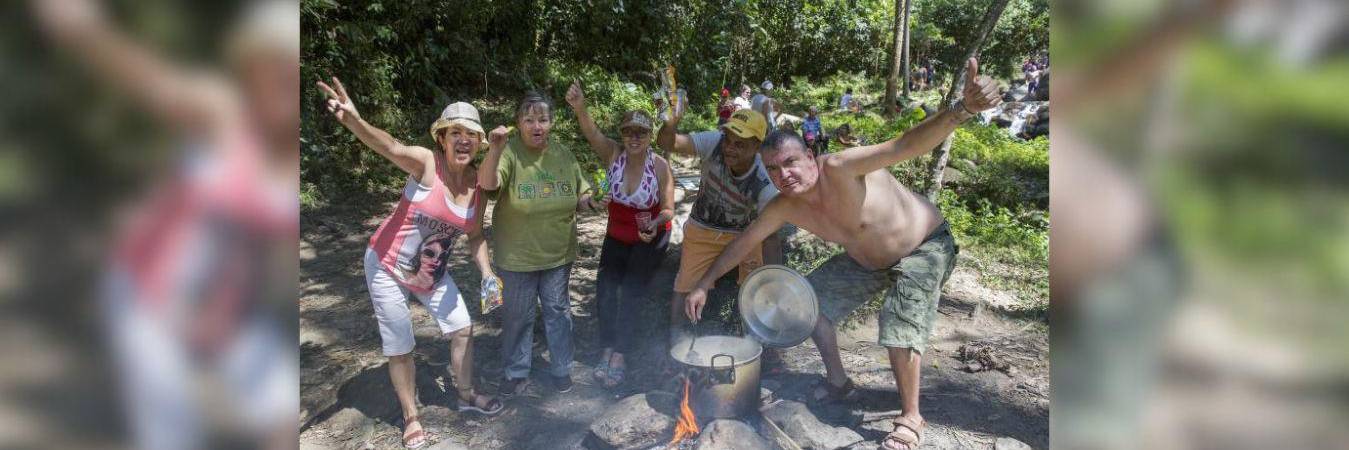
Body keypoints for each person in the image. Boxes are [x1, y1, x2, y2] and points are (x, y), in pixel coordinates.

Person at [682, 58, 1001, 450]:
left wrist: (962, 109)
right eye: (773, 169)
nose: (784, 175)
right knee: (810, 303)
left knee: (898, 322)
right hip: (868, 262)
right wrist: (704, 282)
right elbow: (744, 242)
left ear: (810, 156)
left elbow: (905, 144)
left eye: (790, 163)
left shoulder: (842, 167)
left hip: (924, 246)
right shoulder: (785, 205)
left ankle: (911, 418)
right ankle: (839, 383)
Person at [35, 1, 300, 449]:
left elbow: (270, 253)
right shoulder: (221, 112)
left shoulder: (294, 161)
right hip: (146, 297)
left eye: (291, 71)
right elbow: (148, 79)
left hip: (231, 302)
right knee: (173, 434)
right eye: (272, 67)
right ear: (251, 66)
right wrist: (82, 30)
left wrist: (222, 314)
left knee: (281, 413)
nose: (282, 82)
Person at [317, 86, 506, 446]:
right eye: (456, 133)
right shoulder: (426, 164)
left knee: (462, 327)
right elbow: (389, 146)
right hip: (386, 265)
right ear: (442, 137)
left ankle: (465, 394)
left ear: (480, 143)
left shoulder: (478, 186)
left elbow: (475, 235)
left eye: (471, 135)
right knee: (401, 341)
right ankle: (411, 416)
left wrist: (486, 273)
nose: (463, 141)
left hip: (431, 272)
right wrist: (356, 121)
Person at [479, 92, 597, 398]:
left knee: (558, 311)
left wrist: (591, 201)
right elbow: (489, 185)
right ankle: (516, 370)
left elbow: (580, 194)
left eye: (542, 119)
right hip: (517, 255)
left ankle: (561, 368)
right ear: (518, 123)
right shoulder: (509, 152)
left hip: (558, 253)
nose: (536, 126)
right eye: (529, 119)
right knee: (519, 315)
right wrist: (493, 149)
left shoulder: (563, 154)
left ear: (552, 123)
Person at [565, 81, 676, 389]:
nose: (634, 138)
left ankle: (621, 355)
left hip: (650, 234)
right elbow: (592, 133)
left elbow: (669, 209)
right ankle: (607, 347)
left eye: (641, 132)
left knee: (630, 291)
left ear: (650, 135)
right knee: (605, 288)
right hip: (617, 233)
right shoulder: (614, 154)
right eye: (629, 132)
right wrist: (580, 107)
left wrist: (654, 224)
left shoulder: (660, 166)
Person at [655, 100, 784, 343]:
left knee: (757, 287)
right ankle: (677, 340)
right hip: (703, 228)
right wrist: (671, 122)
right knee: (684, 285)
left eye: (740, 144)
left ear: (757, 147)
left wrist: (775, 279)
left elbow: (769, 235)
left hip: (745, 236)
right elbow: (665, 142)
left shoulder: (764, 183)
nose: (729, 148)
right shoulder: (713, 142)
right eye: (728, 139)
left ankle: (759, 342)